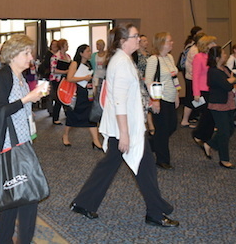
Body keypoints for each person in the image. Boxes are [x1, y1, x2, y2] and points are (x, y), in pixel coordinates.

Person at [70, 24, 179, 227]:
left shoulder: (124, 59)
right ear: (123, 41)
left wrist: (147, 103)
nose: (139, 39)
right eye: (135, 36)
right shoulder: (121, 62)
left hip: (126, 125)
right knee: (144, 168)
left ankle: (84, 202)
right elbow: (119, 101)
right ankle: (155, 212)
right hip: (125, 127)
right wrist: (124, 134)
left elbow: (129, 93)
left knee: (115, 165)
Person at [0, 34, 49, 244]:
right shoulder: (4, 76)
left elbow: (19, 108)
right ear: (13, 55)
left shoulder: (21, 77)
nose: (31, 57)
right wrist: (26, 99)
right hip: (9, 146)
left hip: (22, 144)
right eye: (26, 53)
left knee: (17, 201)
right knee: (24, 199)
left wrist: (31, 101)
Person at [144, 32, 180, 169]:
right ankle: (162, 159)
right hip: (160, 99)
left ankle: (150, 145)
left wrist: (176, 94)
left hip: (171, 97)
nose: (172, 43)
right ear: (162, 43)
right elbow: (148, 81)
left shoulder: (170, 57)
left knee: (172, 126)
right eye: (169, 41)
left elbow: (174, 78)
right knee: (163, 129)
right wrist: (155, 100)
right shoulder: (153, 59)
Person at [203, 46, 236, 169]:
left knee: (230, 130)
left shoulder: (225, 68)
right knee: (224, 132)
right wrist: (231, 80)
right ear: (217, 57)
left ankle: (210, 144)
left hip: (229, 103)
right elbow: (227, 86)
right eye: (223, 53)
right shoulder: (213, 71)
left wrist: (232, 80)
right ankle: (224, 159)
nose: (225, 55)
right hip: (218, 104)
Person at [62, 44, 102, 149]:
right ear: (81, 53)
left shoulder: (89, 63)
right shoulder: (75, 63)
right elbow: (70, 78)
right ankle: (65, 135)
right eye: (87, 51)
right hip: (77, 93)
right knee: (72, 115)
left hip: (87, 92)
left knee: (91, 115)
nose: (90, 53)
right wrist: (84, 78)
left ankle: (95, 140)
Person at [191, 35, 217, 145]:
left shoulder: (212, 57)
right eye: (212, 43)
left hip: (212, 89)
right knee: (206, 114)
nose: (215, 45)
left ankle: (207, 136)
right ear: (206, 45)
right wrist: (196, 93)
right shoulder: (199, 57)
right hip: (203, 90)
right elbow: (195, 76)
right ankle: (198, 134)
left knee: (212, 114)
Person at [180, 29, 205, 127]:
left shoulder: (195, 49)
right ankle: (186, 119)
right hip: (192, 78)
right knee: (191, 99)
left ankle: (191, 116)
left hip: (192, 77)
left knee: (195, 100)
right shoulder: (195, 50)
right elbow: (196, 67)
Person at [49, 39, 71, 125]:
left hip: (65, 79)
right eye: (66, 45)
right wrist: (65, 71)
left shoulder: (68, 56)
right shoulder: (55, 57)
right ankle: (55, 118)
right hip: (57, 79)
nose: (68, 46)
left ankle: (68, 115)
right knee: (58, 98)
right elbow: (53, 70)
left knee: (66, 96)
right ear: (62, 46)